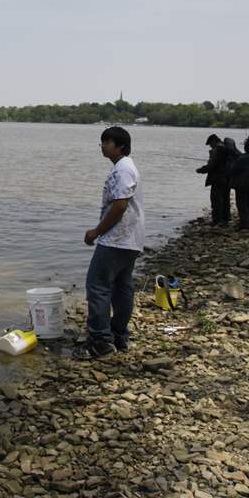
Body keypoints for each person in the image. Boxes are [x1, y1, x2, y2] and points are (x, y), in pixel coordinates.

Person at [74, 126, 145, 360]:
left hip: (117, 239)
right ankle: (118, 335)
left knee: (97, 286)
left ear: (120, 146)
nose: (103, 146)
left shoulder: (123, 169)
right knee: (122, 286)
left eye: (107, 142)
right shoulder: (125, 167)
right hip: (130, 240)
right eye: (102, 142)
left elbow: (120, 205)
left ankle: (100, 341)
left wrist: (96, 232)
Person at [196, 134, 231, 226]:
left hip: (218, 179)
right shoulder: (226, 147)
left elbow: (212, 165)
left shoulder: (217, 150)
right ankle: (225, 219)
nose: (210, 146)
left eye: (210, 144)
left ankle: (216, 221)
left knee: (216, 200)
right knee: (225, 199)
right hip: (227, 178)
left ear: (214, 141)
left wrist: (201, 170)